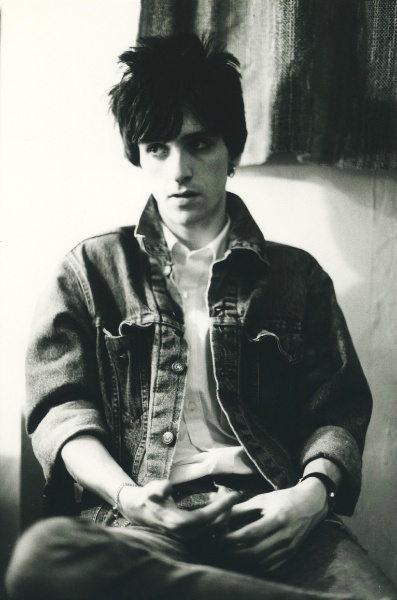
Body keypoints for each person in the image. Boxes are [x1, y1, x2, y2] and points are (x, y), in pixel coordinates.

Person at [5, 33, 396, 600]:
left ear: (232, 152)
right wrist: (128, 497)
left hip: (271, 513)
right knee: (44, 560)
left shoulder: (297, 277)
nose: (179, 169)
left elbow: (337, 413)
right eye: (158, 147)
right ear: (138, 155)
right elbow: (59, 410)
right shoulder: (91, 270)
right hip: (142, 522)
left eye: (200, 144)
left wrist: (307, 500)